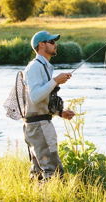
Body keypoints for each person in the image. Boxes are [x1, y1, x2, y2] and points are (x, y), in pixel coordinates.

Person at [22, 30, 75, 181]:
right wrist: (56, 81)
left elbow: (42, 99)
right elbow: (35, 96)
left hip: (39, 124)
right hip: (39, 126)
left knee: (38, 173)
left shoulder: (44, 67)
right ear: (41, 45)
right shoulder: (34, 67)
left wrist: (60, 113)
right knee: (53, 171)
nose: (55, 45)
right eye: (51, 42)